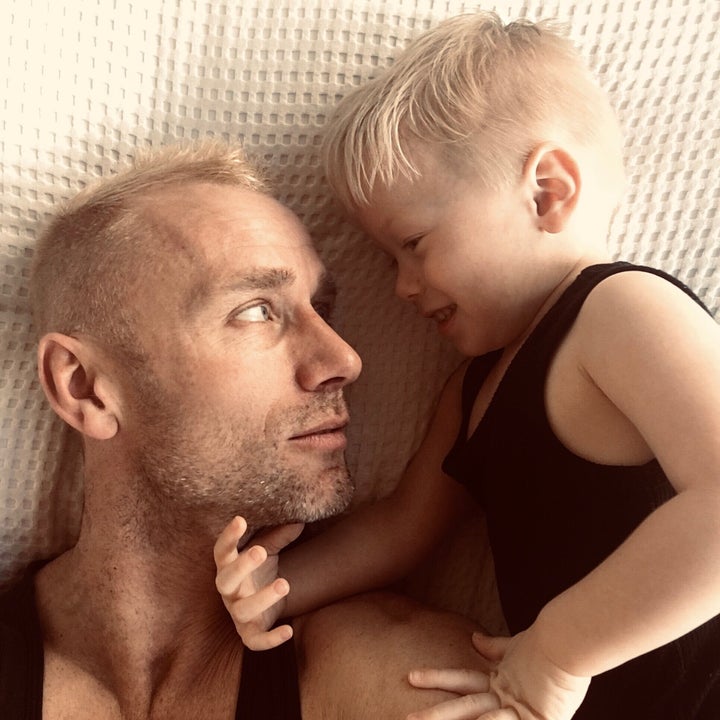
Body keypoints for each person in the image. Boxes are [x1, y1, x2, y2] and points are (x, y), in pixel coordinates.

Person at [215, 12, 720, 720]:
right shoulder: (474, 388)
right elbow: (401, 529)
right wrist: (279, 588)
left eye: (415, 241)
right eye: (390, 259)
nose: (402, 285)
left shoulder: (618, 311)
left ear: (548, 191)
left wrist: (560, 650)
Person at [0, 139, 496, 719]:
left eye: (322, 309)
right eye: (256, 310)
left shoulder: (409, 684)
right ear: (84, 386)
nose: (344, 360)